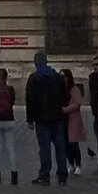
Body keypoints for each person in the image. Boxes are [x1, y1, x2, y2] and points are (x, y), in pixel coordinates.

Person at [24, 51, 70, 185]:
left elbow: (30, 100)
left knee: (44, 148)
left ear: (36, 63)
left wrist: (29, 119)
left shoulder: (34, 77)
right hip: (57, 116)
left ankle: (44, 175)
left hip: (41, 117)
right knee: (60, 146)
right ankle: (62, 175)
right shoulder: (58, 77)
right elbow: (65, 96)